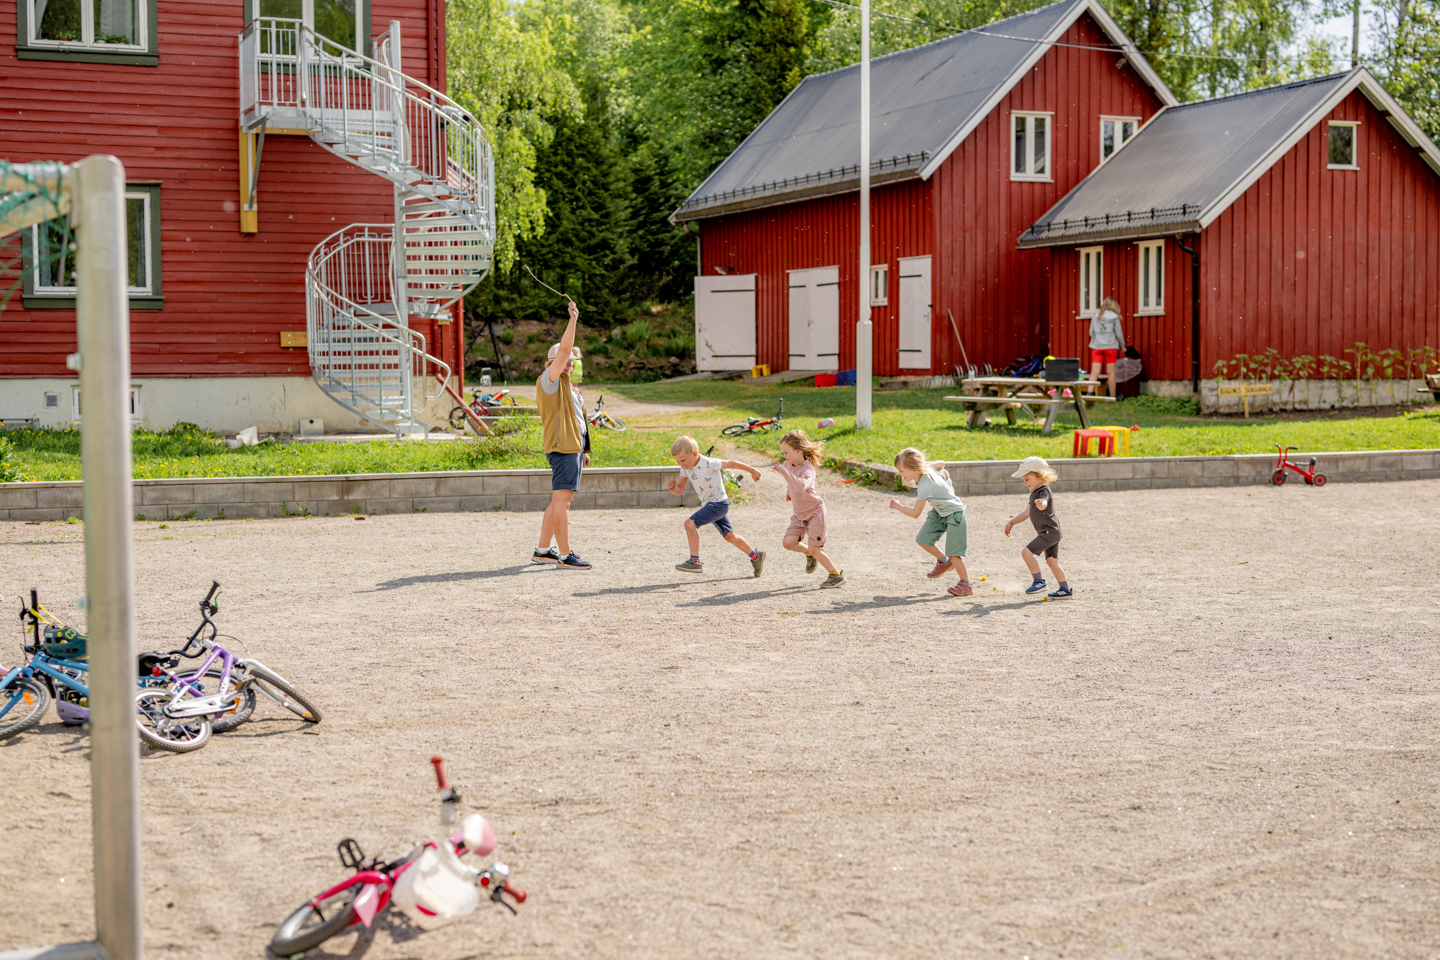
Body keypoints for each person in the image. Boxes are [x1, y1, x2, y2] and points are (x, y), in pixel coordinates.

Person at [532, 301, 592, 569]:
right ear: (554, 361)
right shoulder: (549, 379)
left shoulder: (571, 388)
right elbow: (566, 348)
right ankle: (566, 555)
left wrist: (585, 450)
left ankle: (543, 551)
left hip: (573, 448)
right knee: (563, 502)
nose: (569, 363)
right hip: (562, 447)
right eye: (565, 360)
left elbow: (580, 420)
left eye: (572, 362)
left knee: (557, 500)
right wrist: (573, 320)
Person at [668, 436, 765, 576]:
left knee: (689, 524)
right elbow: (680, 490)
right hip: (710, 505)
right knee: (730, 537)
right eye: (677, 461)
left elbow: (731, 463)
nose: (680, 464)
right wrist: (673, 489)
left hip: (719, 504)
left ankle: (694, 561)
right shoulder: (685, 469)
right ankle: (756, 556)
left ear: (695, 454)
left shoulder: (708, 463)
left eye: (682, 460)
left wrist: (752, 470)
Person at [888, 448, 972, 597]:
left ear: (914, 469)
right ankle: (944, 561)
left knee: (954, 554)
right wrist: (929, 465)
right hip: (940, 511)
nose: (899, 474)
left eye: (901, 471)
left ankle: (966, 584)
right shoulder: (926, 468)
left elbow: (915, 514)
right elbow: (942, 463)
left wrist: (898, 506)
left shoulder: (925, 487)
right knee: (923, 540)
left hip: (954, 514)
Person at [772, 429, 845, 588]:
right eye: (783, 452)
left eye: (786, 452)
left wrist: (783, 472)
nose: (784, 456)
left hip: (814, 513)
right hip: (799, 514)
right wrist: (788, 492)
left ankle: (835, 575)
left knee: (815, 549)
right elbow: (792, 485)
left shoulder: (808, 469)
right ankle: (808, 554)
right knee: (788, 543)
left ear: (798, 451)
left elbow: (800, 485)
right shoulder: (788, 464)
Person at [1003, 455, 1071, 599]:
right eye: (1023, 480)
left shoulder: (1042, 491)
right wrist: (1012, 522)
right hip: (1052, 532)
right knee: (1051, 561)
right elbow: (1026, 513)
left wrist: (1042, 504)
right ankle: (1065, 589)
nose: (1025, 483)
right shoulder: (1034, 493)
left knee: (1026, 553)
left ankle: (1038, 581)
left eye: (1027, 479)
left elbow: (1045, 502)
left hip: (1049, 532)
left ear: (1040, 476)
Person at [1088, 296, 1126, 397]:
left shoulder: (1095, 316)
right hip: (1111, 347)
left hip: (1097, 347)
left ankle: (1089, 393)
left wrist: (1099, 337)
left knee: (1094, 372)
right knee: (1111, 373)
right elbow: (1118, 333)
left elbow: (1091, 332)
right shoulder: (1114, 317)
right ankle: (1112, 396)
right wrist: (1123, 346)